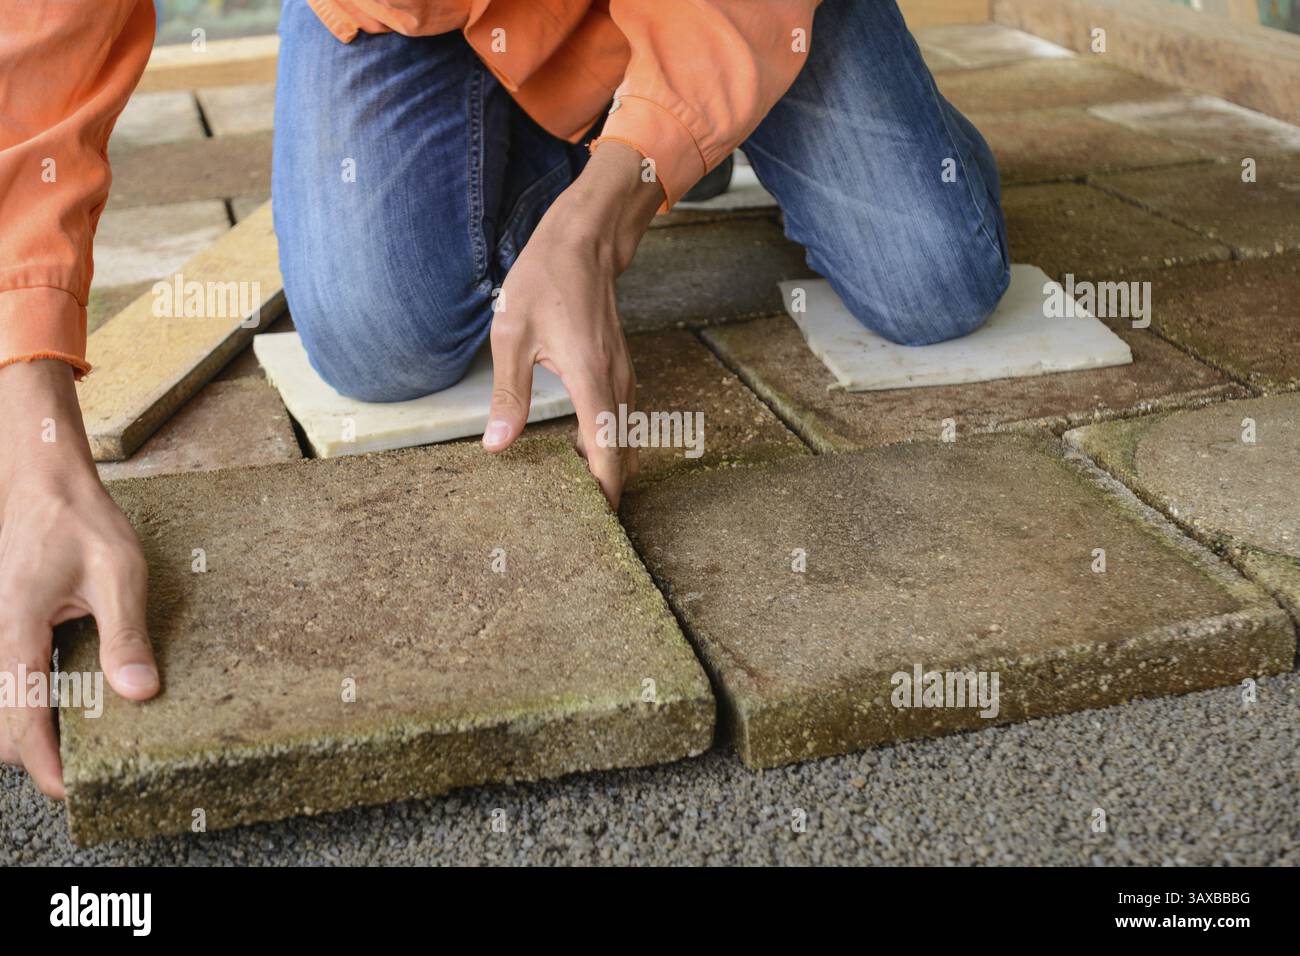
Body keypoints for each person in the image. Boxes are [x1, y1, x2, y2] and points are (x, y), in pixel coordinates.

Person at [0, 0, 1009, 797]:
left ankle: (683, 93)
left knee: (933, 278)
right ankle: (613, 121)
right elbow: (43, 39)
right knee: (373, 337)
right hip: (423, 16)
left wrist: (615, 203)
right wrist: (30, 429)